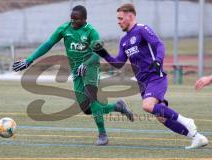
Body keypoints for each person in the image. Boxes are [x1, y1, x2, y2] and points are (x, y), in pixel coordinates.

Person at [12, 5, 133, 146]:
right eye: (71, 18)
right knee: (87, 109)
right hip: (76, 70)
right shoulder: (64, 29)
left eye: (76, 19)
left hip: (91, 68)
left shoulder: (91, 32)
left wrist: (86, 64)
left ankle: (103, 135)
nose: (73, 22)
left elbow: (97, 53)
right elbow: (48, 44)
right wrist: (29, 60)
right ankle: (117, 107)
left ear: (84, 19)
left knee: (92, 98)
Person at [93, 3, 208, 149]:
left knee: (147, 106)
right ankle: (197, 137)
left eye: (121, 18)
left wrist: (158, 61)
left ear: (130, 16)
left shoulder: (142, 29)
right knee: (162, 117)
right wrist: (103, 53)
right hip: (143, 83)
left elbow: (159, 45)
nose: (118, 21)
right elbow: (119, 63)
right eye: (118, 19)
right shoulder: (124, 41)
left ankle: (187, 122)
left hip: (155, 77)